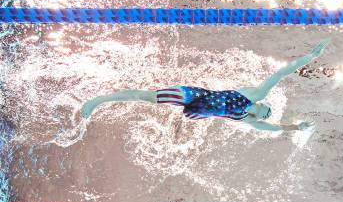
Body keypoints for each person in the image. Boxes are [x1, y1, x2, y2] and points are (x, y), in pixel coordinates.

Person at [80, 39, 330, 133]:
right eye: (266, 107)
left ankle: (173, 127)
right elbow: (281, 73)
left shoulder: (247, 119)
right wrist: (311, 57)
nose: (264, 109)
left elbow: (274, 129)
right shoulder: (255, 95)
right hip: (194, 95)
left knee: (176, 119)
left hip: (197, 113)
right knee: (147, 97)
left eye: (265, 112)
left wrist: (296, 127)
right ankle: (98, 100)